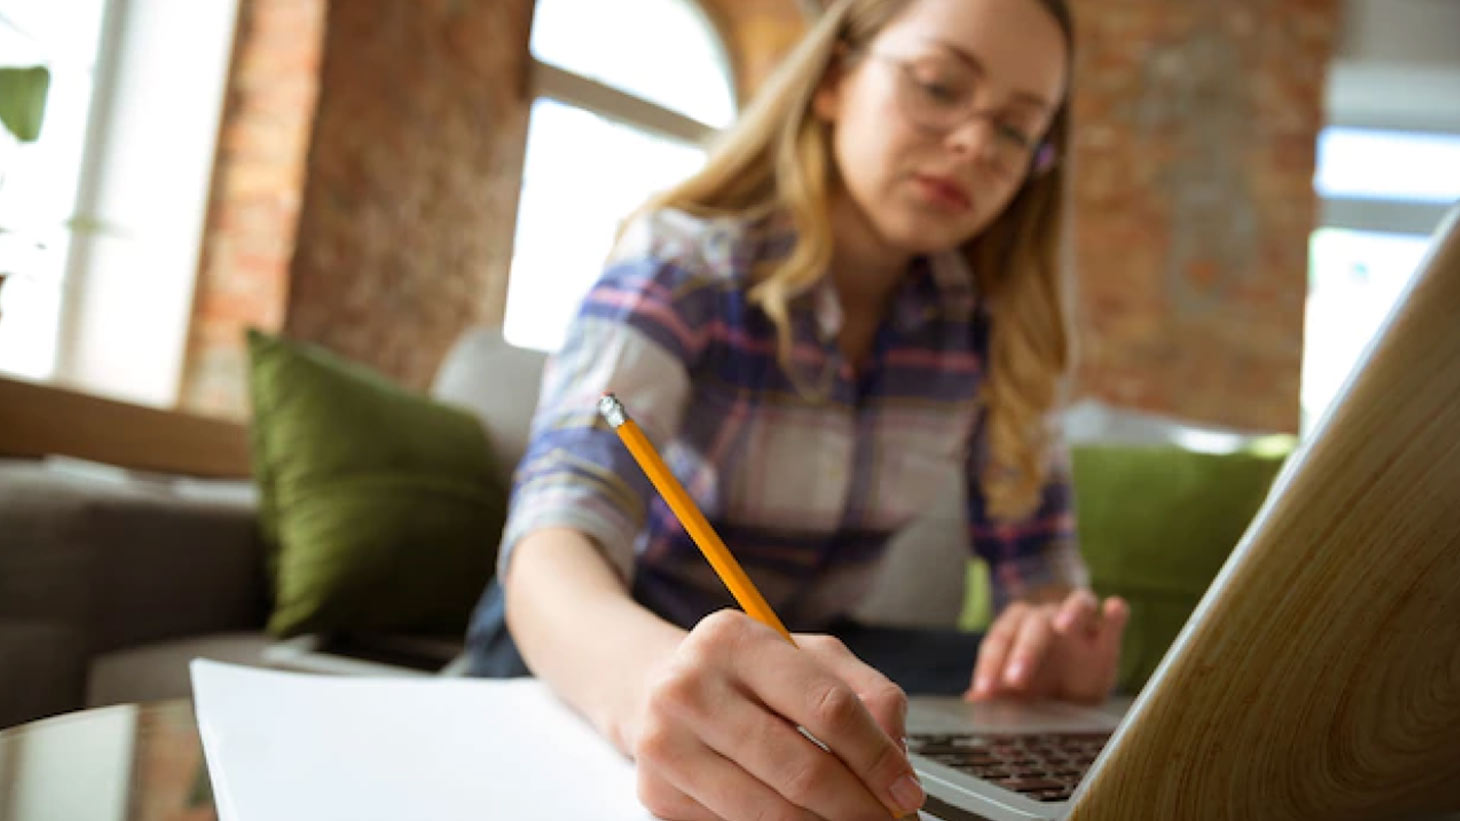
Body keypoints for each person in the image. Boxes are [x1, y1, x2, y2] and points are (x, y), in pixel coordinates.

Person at [465, 0, 1128, 817]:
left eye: (1017, 130)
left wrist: (1047, 657)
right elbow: (552, 540)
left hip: (804, 650)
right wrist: (650, 686)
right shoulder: (684, 261)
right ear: (835, 78)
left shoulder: (992, 334)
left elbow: (1040, 586)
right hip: (612, 629)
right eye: (939, 84)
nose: (973, 144)